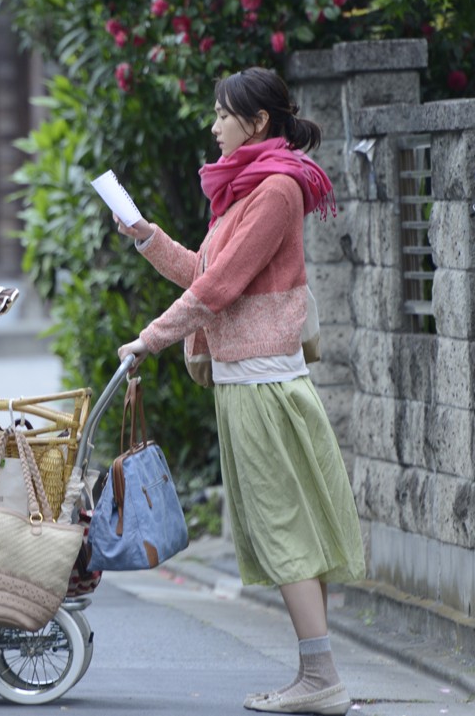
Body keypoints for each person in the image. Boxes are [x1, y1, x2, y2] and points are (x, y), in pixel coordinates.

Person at [116, 67, 366, 715]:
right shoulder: (248, 189)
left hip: (263, 387)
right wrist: (147, 237)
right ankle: (318, 672)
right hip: (246, 384)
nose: (213, 124)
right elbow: (206, 270)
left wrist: (151, 338)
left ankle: (321, 677)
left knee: (285, 528)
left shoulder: (277, 189)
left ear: (256, 122)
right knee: (288, 528)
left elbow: (218, 289)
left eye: (222, 114)